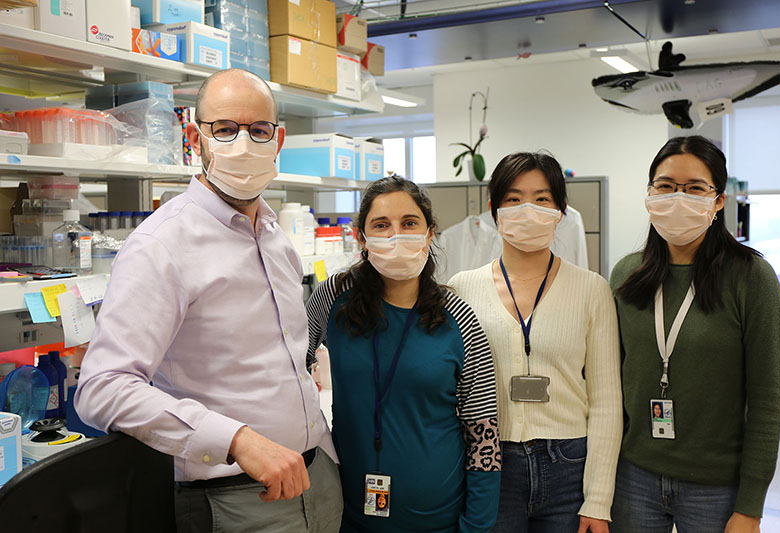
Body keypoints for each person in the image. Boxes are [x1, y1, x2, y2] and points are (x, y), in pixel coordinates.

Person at [75, 69, 342, 533]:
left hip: (316, 479)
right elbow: (104, 387)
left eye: (258, 130)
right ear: (196, 138)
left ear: (277, 140)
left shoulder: (277, 238)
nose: (243, 143)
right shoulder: (162, 245)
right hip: (232, 500)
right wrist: (236, 439)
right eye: (225, 129)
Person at [609, 136, 780, 533]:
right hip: (633, 476)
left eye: (694, 189)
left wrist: (751, 506)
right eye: (666, 186)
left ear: (718, 201)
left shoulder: (751, 277)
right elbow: (609, 386)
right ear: (649, 194)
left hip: (716, 487)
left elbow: (767, 400)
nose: (677, 199)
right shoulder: (626, 275)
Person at [306, 176, 502, 532]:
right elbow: (290, 369)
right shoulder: (334, 296)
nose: (396, 234)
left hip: (439, 518)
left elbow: (483, 433)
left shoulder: (458, 316)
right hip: (349, 515)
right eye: (381, 225)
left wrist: (477, 525)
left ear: (429, 233)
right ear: (362, 239)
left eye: (409, 223)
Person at [450, 152, 623, 533]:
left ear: (561, 210)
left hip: (569, 465)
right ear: (493, 209)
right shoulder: (461, 288)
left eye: (542, 199)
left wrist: (598, 499)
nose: (527, 209)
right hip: (491, 465)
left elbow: (607, 402)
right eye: (513, 199)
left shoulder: (592, 289)